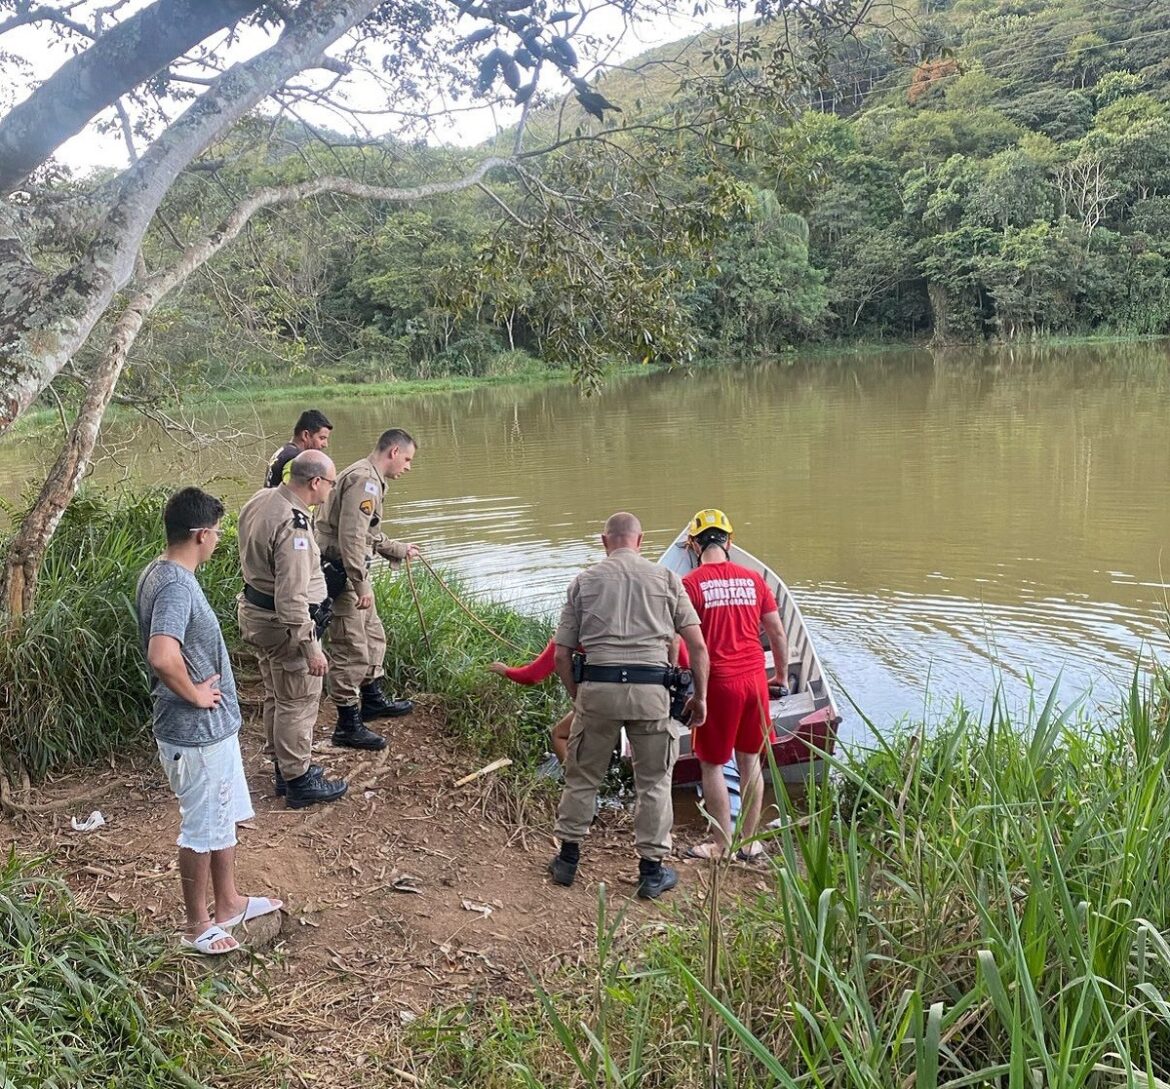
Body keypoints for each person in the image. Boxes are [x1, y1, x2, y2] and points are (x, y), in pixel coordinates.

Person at [135, 487, 282, 956]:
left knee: (223, 816)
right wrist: (196, 693)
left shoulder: (161, 571)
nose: (219, 539)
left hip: (212, 731)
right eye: (217, 532)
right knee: (201, 827)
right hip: (194, 734)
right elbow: (162, 654)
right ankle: (198, 924)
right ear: (201, 534)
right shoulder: (175, 586)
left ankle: (229, 903)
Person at [548, 511, 709, 899]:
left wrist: (580, 698)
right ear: (640, 540)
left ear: (605, 541)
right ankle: (651, 872)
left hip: (598, 691)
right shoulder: (667, 579)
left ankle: (567, 861)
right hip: (652, 695)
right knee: (654, 782)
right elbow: (698, 648)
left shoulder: (583, 581)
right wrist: (700, 698)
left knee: (582, 777)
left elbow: (560, 655)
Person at [237, 451, 348, 809]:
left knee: (277, 694)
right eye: (330, 483)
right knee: (297, 700)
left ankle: (285, 767)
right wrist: (310, 647)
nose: (331, 490)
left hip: (256, 613)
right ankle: (298, 781)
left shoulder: (262, 499)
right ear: (315, 482)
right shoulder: (294, 525)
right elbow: (291, 597)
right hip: (284, 626)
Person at [680, 509, 789, 861]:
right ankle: (749, 841)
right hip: (755, 681)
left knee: (712, 763)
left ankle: (722, 845)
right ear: (729, 541)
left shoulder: (690, 585)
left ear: (694, 545)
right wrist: (781, 677)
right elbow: (777, 633)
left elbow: (680, 642)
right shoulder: (754, 579)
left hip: (719, 684)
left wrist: (686, 687)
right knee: (750, 760)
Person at [314, 427, 419, 750]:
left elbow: (368, 532)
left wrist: (398, 549)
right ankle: (347, 724)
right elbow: (351, 537)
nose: (408, 467)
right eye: (408, 459)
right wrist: (360, 583)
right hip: (342, 573)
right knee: (351, 647)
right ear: (394, 452)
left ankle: (372, 699)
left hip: (351, 571)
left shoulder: (368, 477)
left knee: (373, 635)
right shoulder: (365, 481)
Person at [490, 637, 693, 771]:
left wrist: (506, 671)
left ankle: (578, 788)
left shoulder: (576, 625)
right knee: (652, 766)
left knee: (560, 734)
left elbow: (533, 675)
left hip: (602, 701)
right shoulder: (651, 619)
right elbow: (684, 661)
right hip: (650, 700)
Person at [264, 409, 333, 489]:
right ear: (305, 435)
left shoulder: (284, 452)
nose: (325, 444)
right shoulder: (295, 459)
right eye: (322, 438)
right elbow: (293, 492)